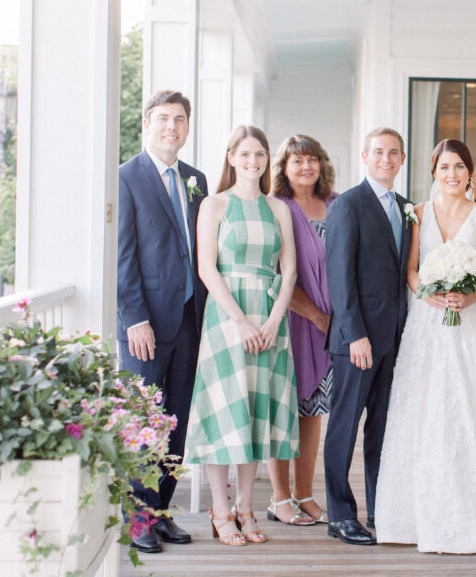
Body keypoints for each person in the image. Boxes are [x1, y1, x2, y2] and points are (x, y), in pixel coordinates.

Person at [375, 139, 476, 554]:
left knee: (473, 407)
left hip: (471, 324)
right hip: (427, 324)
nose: (451, 174)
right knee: (423, 409)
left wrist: (468, 296)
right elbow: (410, 270)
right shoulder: (419, 214)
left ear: (470, 172)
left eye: (459, 167)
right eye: (444, 167)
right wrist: (427, 293)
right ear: (433, 172)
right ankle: (410, 517)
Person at [183, 126, 299, 547]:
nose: (254, 161)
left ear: (268, 160)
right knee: (224, 412)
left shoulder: (278, 208)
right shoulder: (214, 205)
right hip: (228, 317)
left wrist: (271, 322)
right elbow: (207, 269)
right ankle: (219, 509)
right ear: (230, 157)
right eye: (245, 154)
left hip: (269, 316)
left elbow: (291, 271)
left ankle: (247, 507)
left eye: (261, 154)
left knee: (255, 415)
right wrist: (241, 322)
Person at [116, 90, 208, 553]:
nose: (172, 126)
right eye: (163, 118)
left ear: (188, 127)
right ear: (147, 123)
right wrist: (134, 318)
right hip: (145, 325)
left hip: (190, 319)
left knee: (175, 422)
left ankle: (161, 512)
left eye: (179, 119)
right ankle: (136, 521)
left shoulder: (196, 179)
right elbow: (122, 255)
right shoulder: (124, 178)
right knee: (143, 422)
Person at [324, 127, 413, 546]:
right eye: (379, 152)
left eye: (394, 153)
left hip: (395, 340)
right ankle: (340, 514)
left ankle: (380, 506)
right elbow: (339, 278)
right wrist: (354, 333)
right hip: (356, 340)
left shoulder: (407, 208)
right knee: (344, 426)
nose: (386, 159)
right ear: (365, 155)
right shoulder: (348, 205)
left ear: (402, 158)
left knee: (382, 427)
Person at [265, 135, 338, 526]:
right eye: (297, 161)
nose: (306, 167)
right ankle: (279, 499)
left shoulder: (336, 204)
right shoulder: (276, 207)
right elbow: (275, 274)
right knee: (284, 408)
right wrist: (314, 315)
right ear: (283, 168)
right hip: (290, 318)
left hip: (329, 322)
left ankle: (305, 494)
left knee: (312, 412)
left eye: (312, 159)